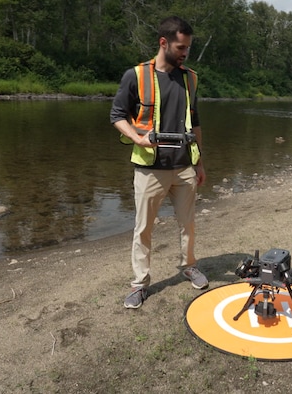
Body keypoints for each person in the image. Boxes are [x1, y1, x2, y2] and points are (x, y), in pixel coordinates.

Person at [110, 16, 208, 309]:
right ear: (163, 43)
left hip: (184, 167)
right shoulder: (136, 76)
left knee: (188, 224)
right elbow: (117, 115)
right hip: (150, 170)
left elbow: (197, 122)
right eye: (180, 47)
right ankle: (140, 284)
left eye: (188, 47)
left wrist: (200, 163)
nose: (185, 53)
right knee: (143, 229)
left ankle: (188, 266)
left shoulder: (190, 78)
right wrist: (139, 139)